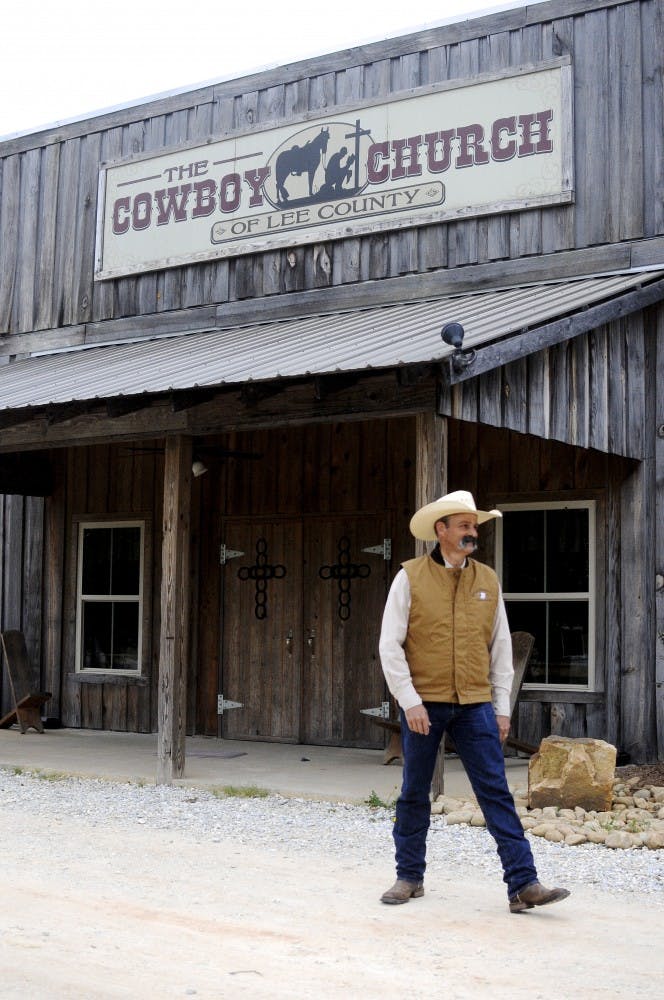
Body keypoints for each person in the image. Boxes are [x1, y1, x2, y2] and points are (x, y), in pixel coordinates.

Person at [379, 490, 570, 914]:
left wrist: (502, 707)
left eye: (474, 526)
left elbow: (501, 647)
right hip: (423, 703)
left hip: (476, 705)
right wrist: (409, 701)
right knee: (413, 792)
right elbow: (389, 646)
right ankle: (408, 876)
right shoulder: (408, 577)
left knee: (495, 793)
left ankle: (523, 885)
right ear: (440, 531)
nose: (472, 532)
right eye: (464, 525)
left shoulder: (487, 579)